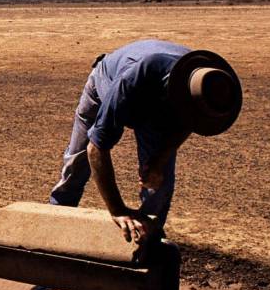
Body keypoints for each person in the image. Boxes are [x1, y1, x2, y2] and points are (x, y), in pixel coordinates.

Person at [49, 39, 242, 245]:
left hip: (156, 106)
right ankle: (54, 220)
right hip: (105, 84)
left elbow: (188, 123)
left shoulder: (208, 86)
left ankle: (146, 236)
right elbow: (96, 148)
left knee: (160, 180)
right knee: (77, 162)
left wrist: (160, 160)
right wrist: (118, 210)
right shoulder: (133, 81)